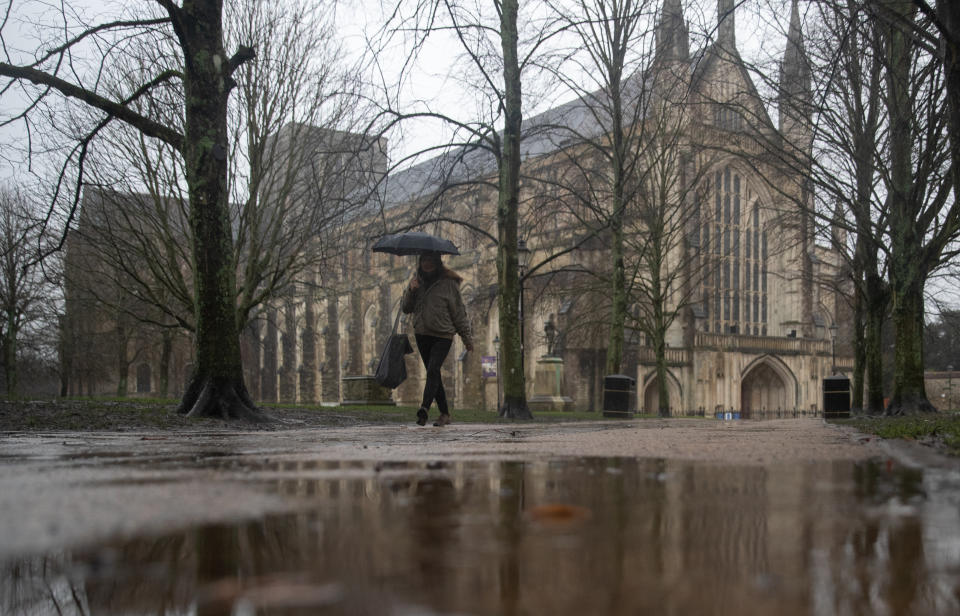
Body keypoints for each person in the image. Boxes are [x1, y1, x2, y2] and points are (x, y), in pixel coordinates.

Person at [401, 251, 474, 426]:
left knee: (433, 369)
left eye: (430, 260)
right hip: (422, 334)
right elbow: (406, 308)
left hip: (443, 335)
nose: (427, 264)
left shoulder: (449, 284)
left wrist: (467, 338)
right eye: (424, 260)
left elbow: (459, 314)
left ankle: (424, 408)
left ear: (437, 263)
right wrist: (411, 291)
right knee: (434, 373)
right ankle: (445, 414)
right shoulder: (417, 282)